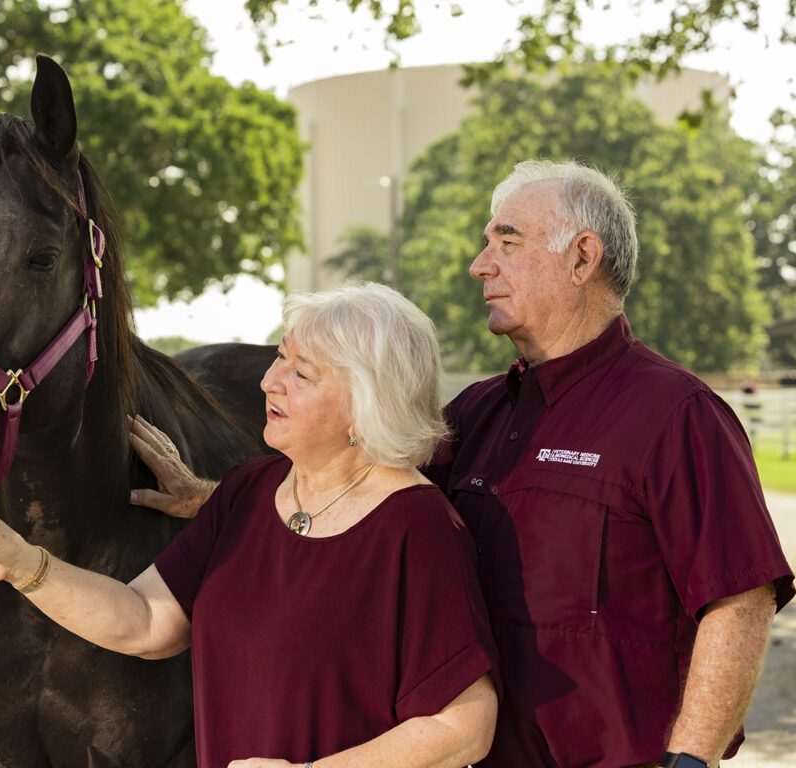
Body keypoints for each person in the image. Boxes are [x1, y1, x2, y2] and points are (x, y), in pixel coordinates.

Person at [130, 161, 795, 768]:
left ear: (582, 257)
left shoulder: (675, 415)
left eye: (507, 243)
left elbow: (738, 598)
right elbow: (358, 500)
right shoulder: (476, 415)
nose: (480, 265)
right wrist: (216, 502)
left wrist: (690, 761)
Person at [0, 282, 500, 768]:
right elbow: (143, 622)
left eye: (300, 373)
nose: (269, 381)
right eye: (280, 358)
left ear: (365, 408)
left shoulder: (417, 526)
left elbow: (464, 727)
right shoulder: (251, 491)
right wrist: (20, 562)